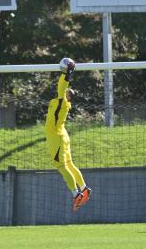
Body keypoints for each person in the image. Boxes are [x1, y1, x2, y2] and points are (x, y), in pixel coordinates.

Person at [45, 58, 91, 212]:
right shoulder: (62, 103)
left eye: (67, 92)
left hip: (56, 136)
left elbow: (62, 84)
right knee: (70, 165)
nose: (66, 91)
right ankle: (84, 189)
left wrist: (68, 72)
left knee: (61, 166)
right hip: (63, 134)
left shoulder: (61, 101)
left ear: (68, 96)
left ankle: (75, 193)